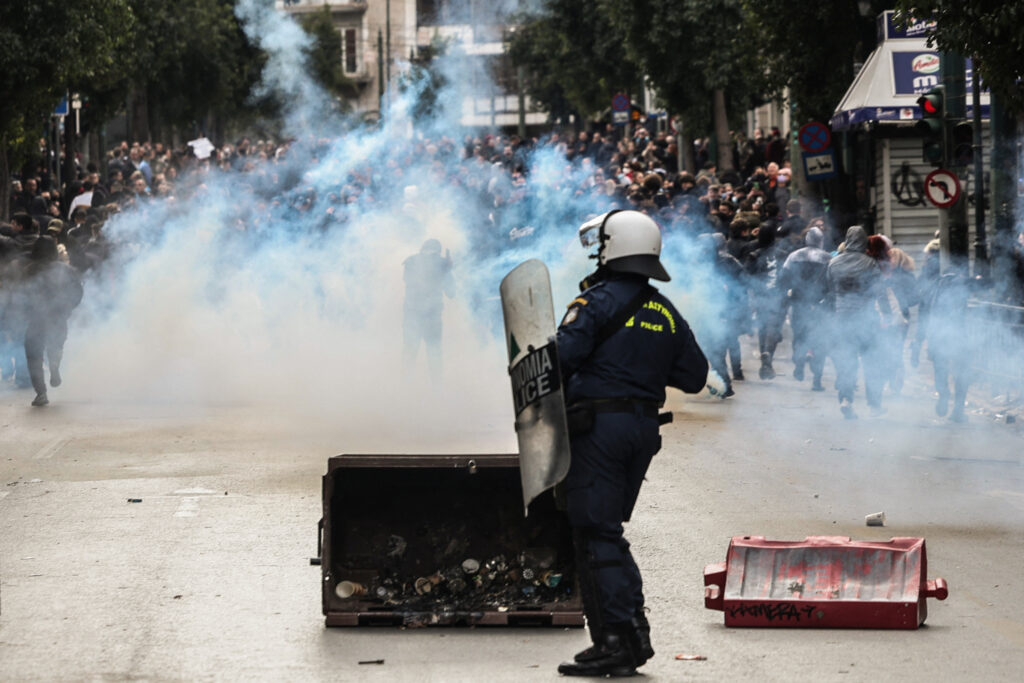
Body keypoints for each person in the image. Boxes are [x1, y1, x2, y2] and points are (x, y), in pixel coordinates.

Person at [555, 210, 708, 677]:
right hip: (642, 430)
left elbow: (558, 360)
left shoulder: (596, 303)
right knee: (606, 531)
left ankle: (618, 642)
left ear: (612, 248)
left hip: (599, 429)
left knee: (596, 532)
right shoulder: (664, 310)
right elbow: (695, 377)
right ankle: (628, 636)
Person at [826, 226, 891, 419]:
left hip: (842, 318)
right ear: (863, 242)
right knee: (872, 363)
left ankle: (846, 400)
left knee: (847, 361)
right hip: (866, 320)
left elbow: (829, 291)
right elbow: (880, 292)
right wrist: (887, 314)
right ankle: (874, 405)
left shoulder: (833, 263)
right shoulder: (870, 264)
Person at [17, 236, 83, 406]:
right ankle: (54, 366)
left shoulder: (30, 270)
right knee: (56, 346)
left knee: (33, 355)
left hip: (36, 320)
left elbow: (22, 295)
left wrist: (25, 312)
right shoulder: (66, 270)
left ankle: (41, 393)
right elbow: (78, 291)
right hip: (59, 317)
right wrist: (67, 308)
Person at [781, 226, 831, 390]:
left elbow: (783, 279)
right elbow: (832, 281)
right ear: (821, 241)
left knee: (799, 336)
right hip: (820, 305)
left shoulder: (793, 256)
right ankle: (817, 381)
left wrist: (787, 296)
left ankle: (799, 362)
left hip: (798, 303)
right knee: (820, 342)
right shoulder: (828, 258)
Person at [401, 239, 454, 382]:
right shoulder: (442, 264)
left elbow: (408, 282)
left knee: (409, 354)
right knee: (434, 355)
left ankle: (403, 390)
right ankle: (437, 393)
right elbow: (451, 292)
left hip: (411, 315)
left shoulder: (410, 262)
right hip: (432, 317)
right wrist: (448, 269)